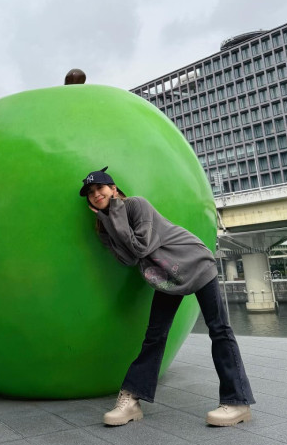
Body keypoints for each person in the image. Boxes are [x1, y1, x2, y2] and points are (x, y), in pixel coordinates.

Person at [79, 166, 255, 427]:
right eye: (90, 193)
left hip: (193, 261)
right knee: (155, 336)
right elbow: (127, 260)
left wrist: (112, 216)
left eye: (100, 188)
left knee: (219, 329)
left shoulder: (136, 206)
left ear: (114, 189)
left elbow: (139, 247)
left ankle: (237, 402)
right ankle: (131, 401)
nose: (96, 194)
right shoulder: (104, 228)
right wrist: (108, 222)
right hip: (166, 277)